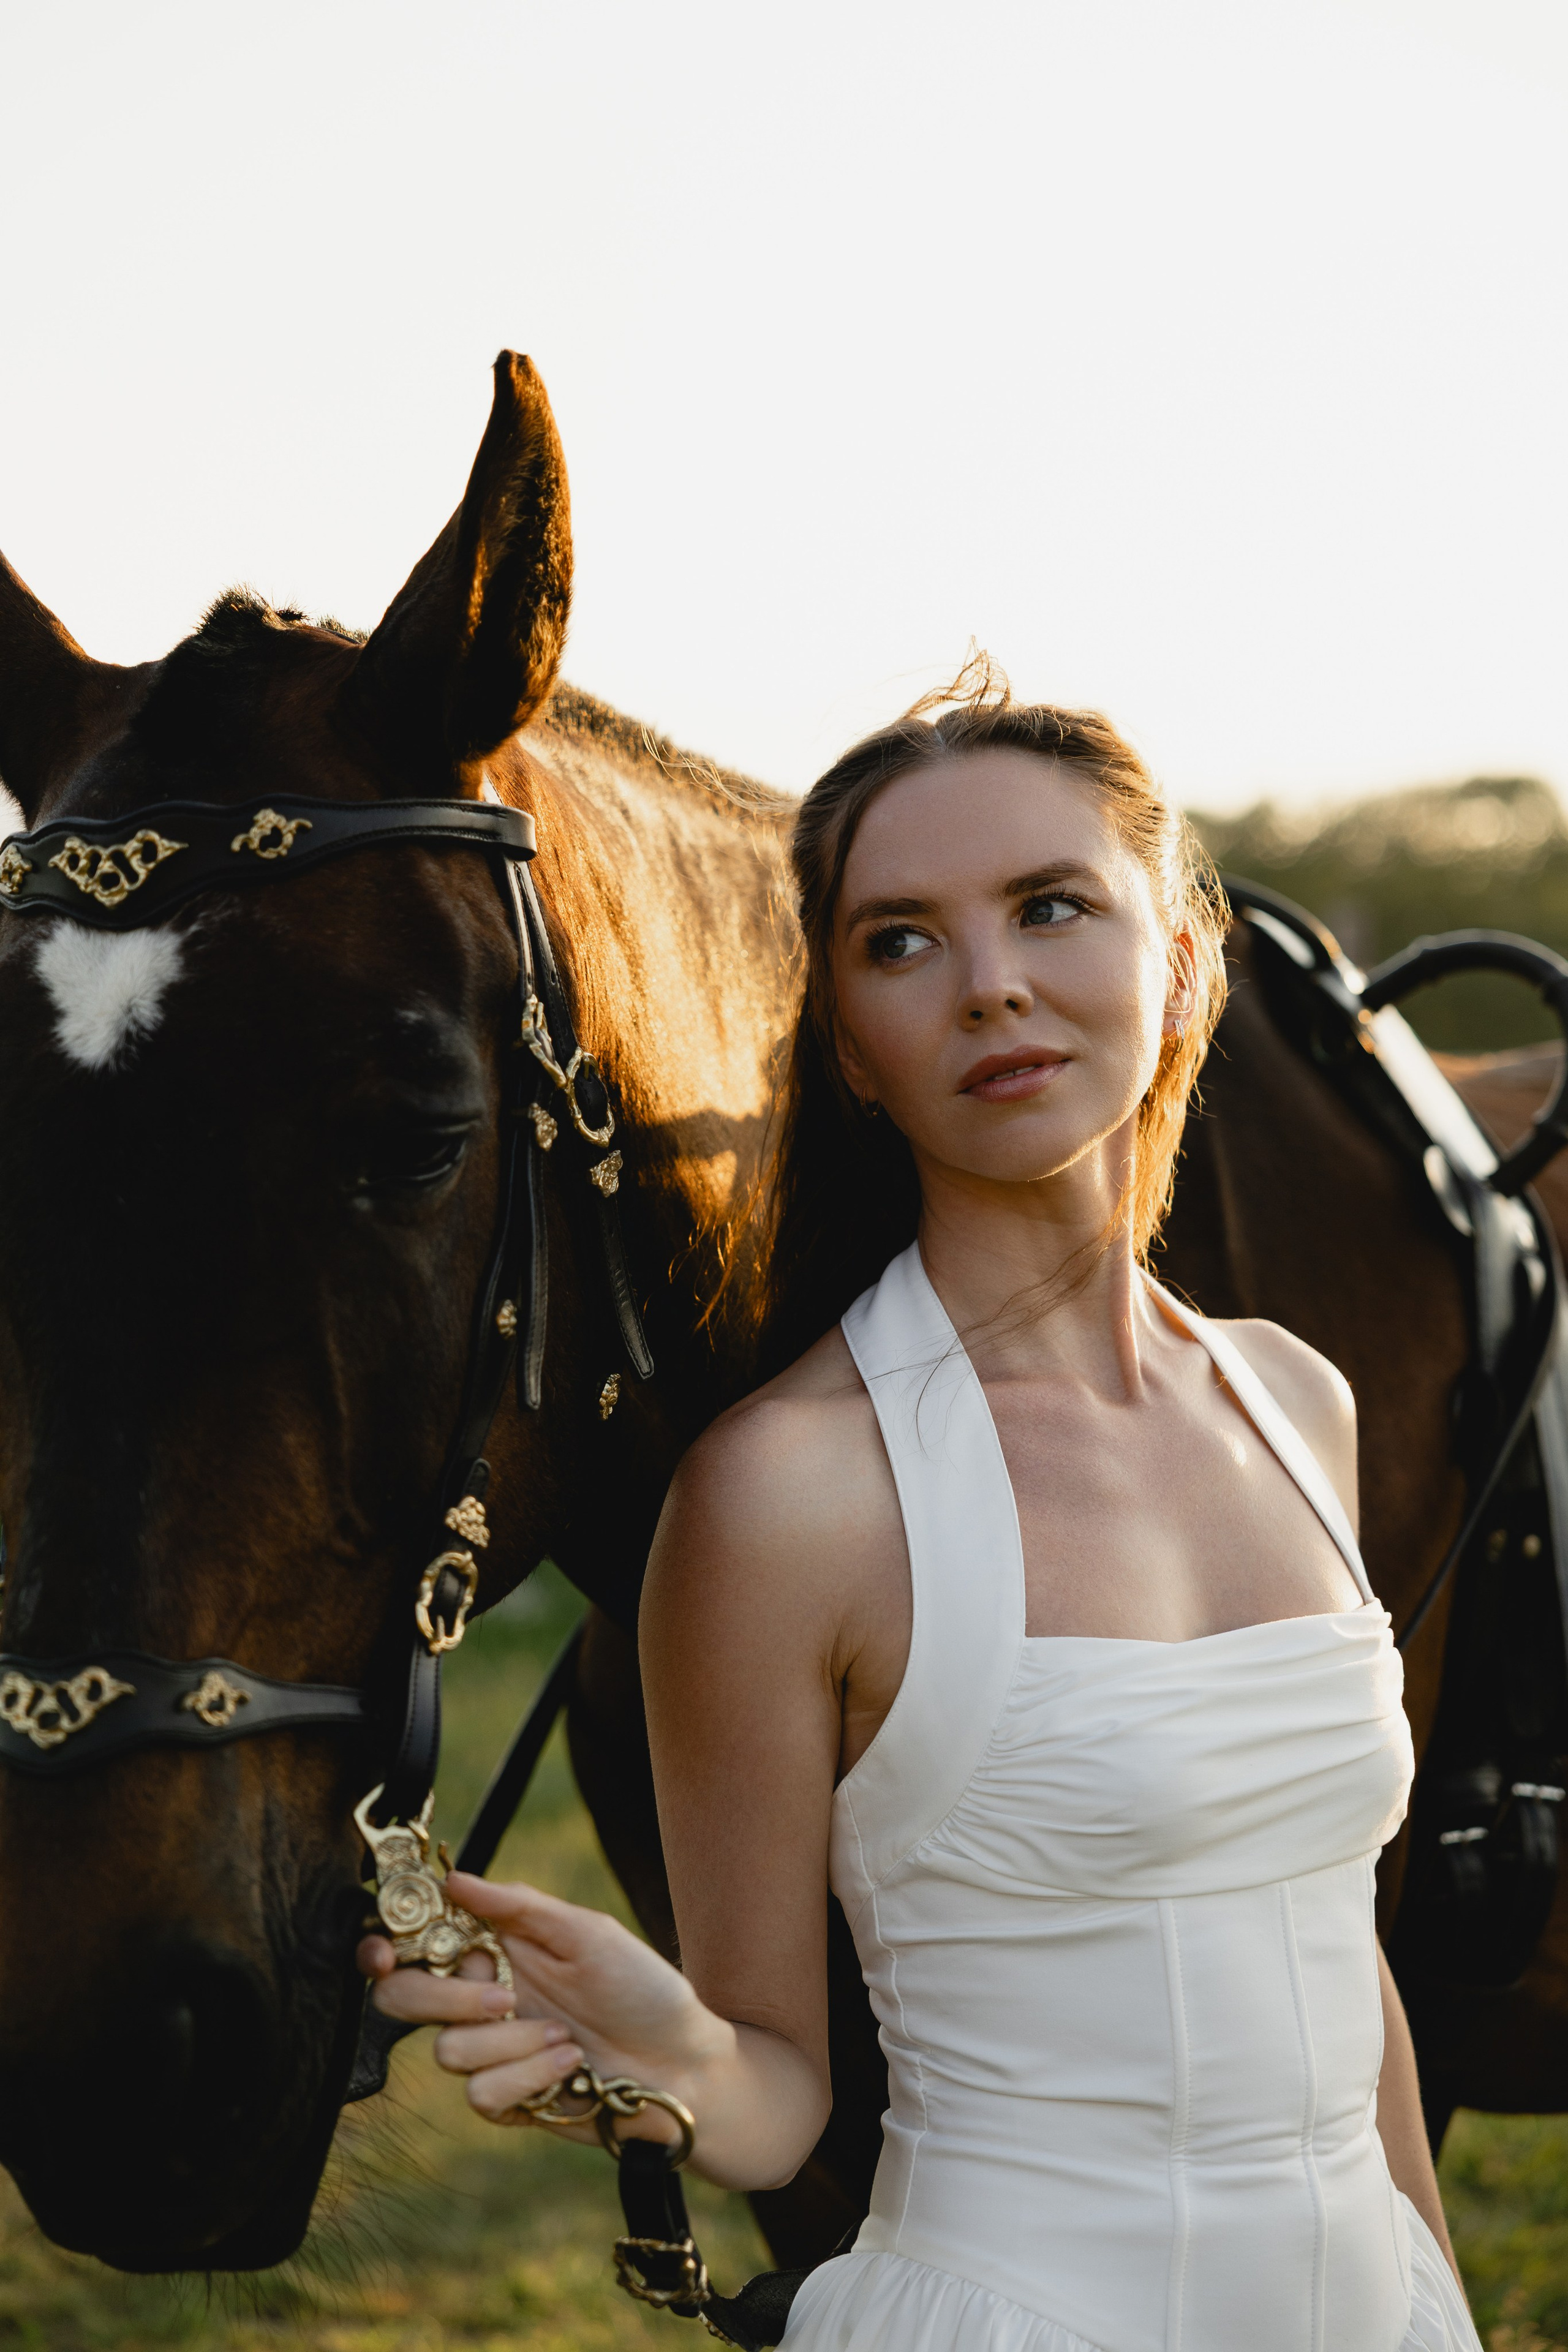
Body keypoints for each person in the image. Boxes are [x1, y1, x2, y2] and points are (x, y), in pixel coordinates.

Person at [362, 663, 1480, 2350]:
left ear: (1179, 968)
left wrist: (1441, 2304)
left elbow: (1343, 1963)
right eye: (902, 941)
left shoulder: (1297, 1403)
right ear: (850, 1050)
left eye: (1051, 909)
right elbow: (781, 2099)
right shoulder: (786, 1492)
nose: (991, 988)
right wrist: (663, 2063)